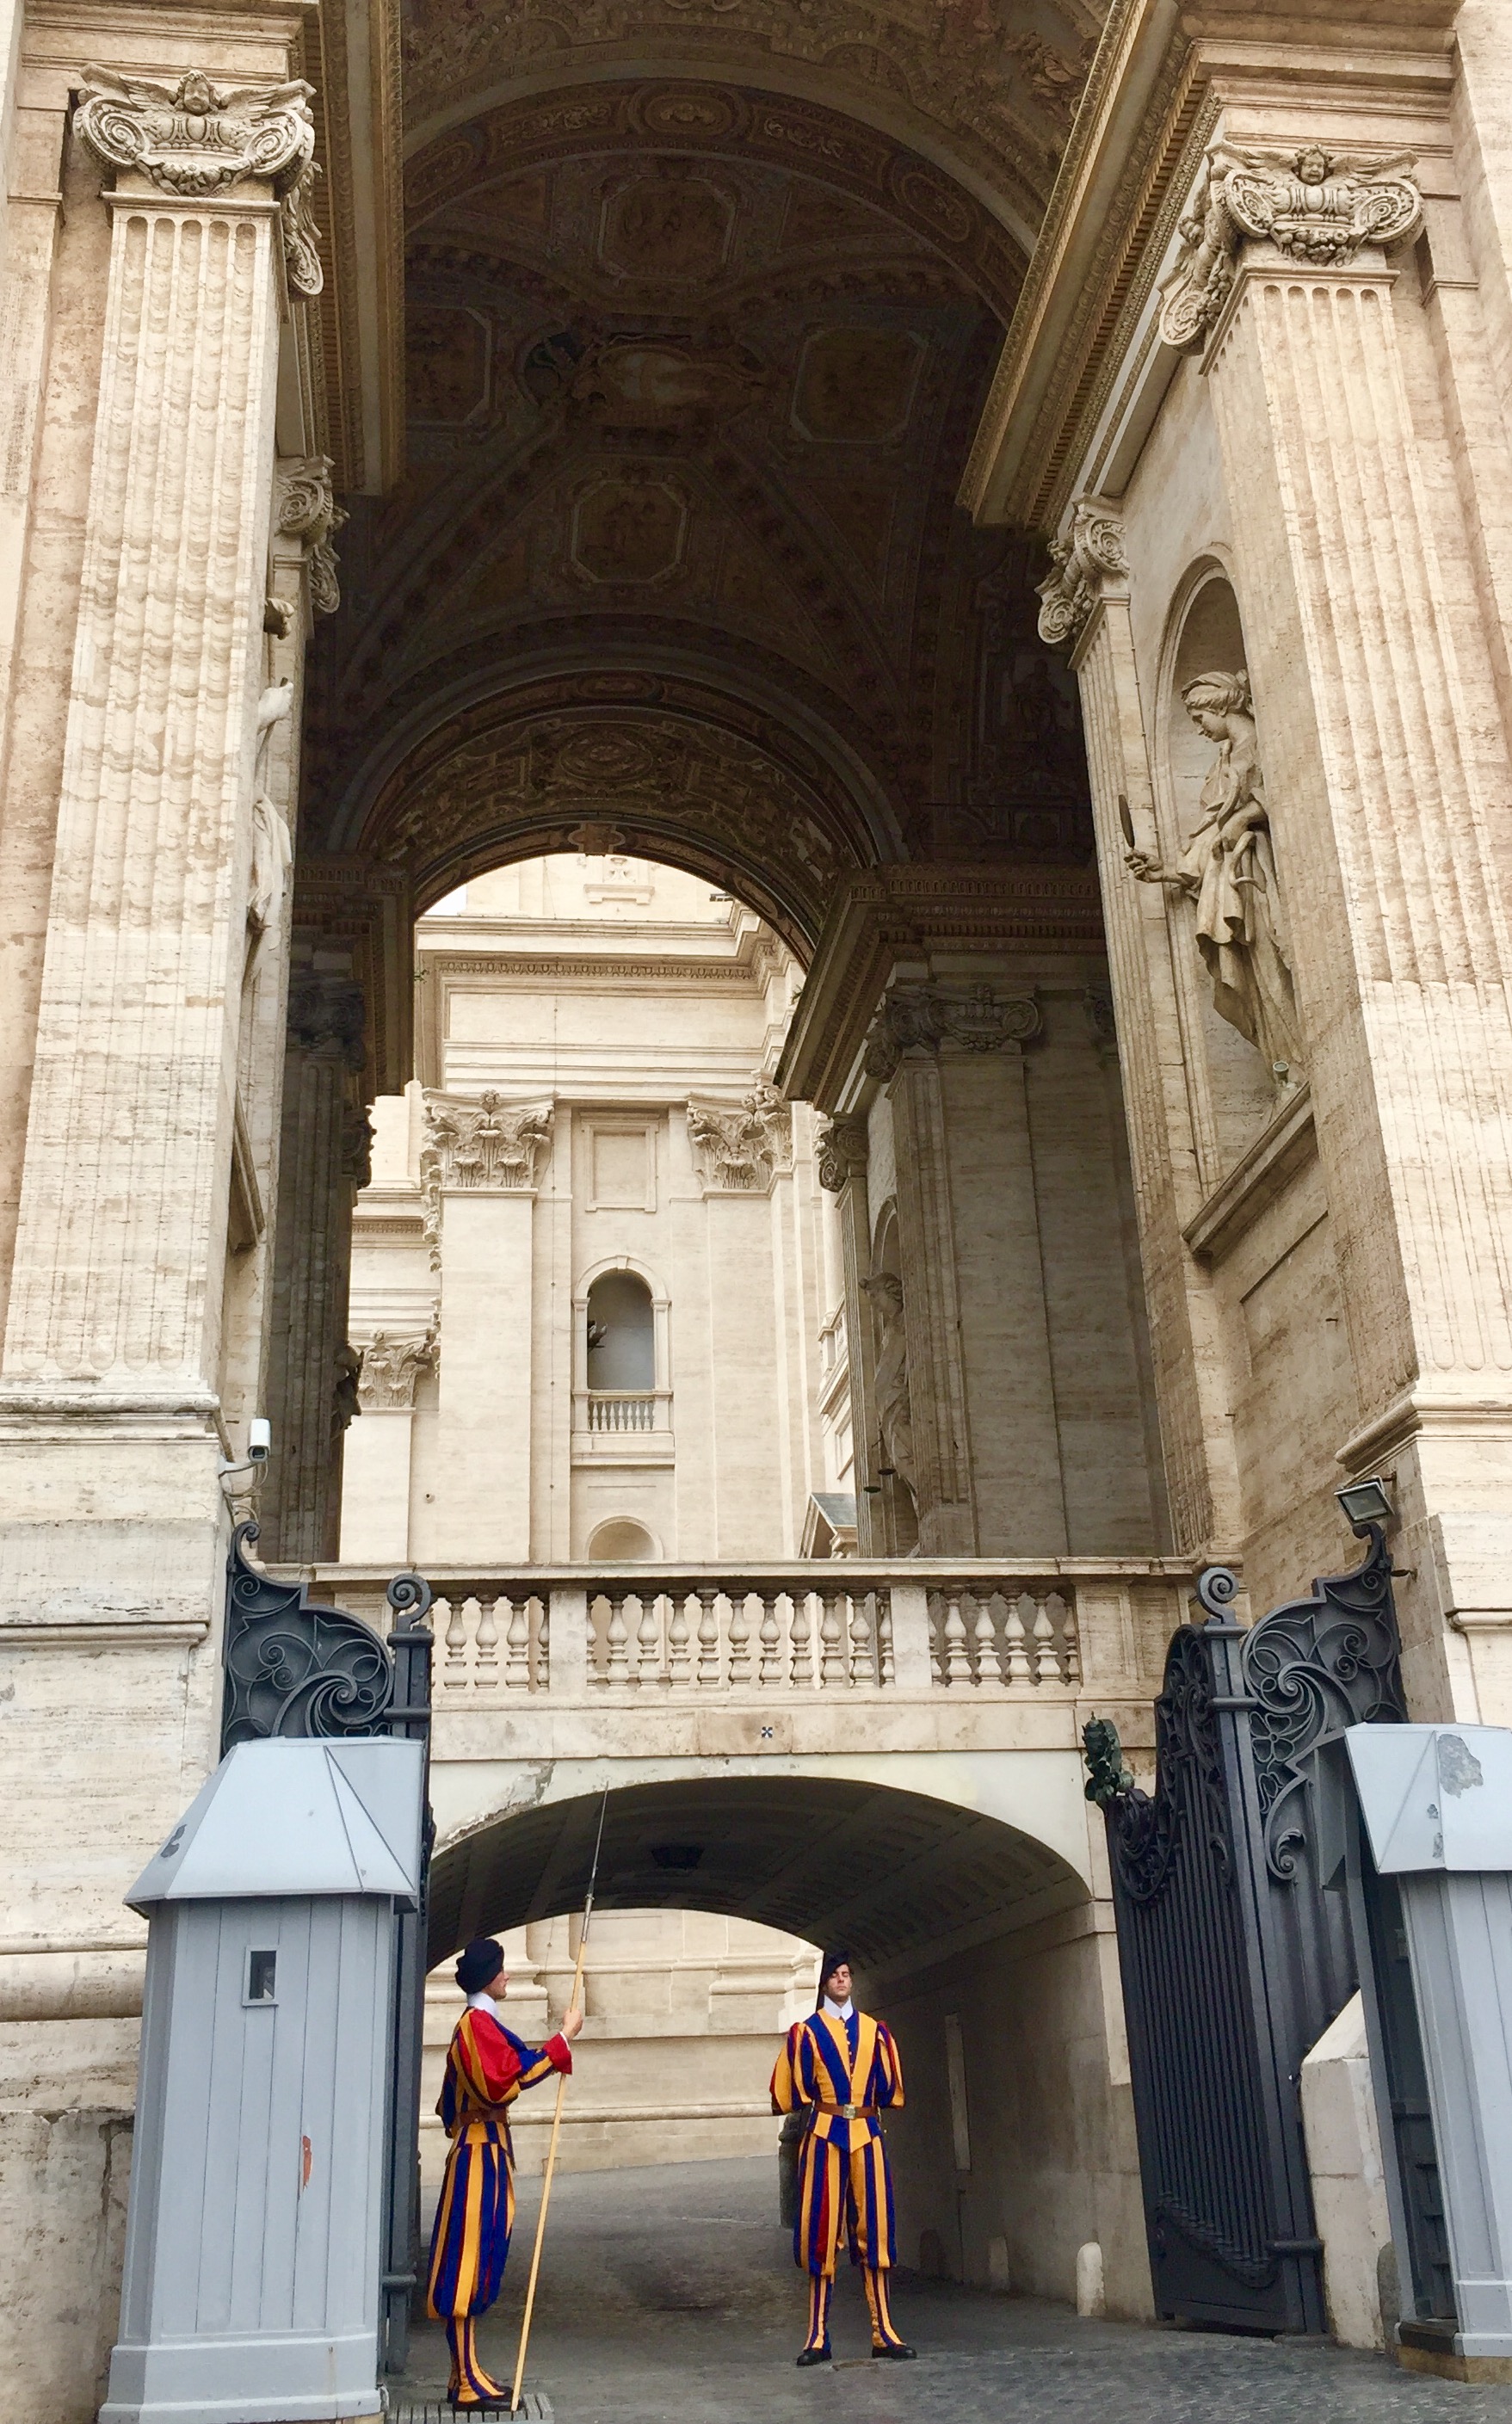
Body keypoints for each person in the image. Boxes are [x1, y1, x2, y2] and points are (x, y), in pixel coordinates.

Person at [426, 1937, 584, 2408]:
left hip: (488, 2151)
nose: (509, 1976)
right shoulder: (475, 2027)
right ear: (488, 1977)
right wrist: (565, 2039)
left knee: (479, 2259)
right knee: (466, 2264)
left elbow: (513, 2066)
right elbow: (505, 2083)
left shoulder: (484, 2026)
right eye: (502, 1970)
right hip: (478, 2156)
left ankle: (466, 2374)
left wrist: (557, 2045)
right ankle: (466, 2381)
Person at [769, 1950, 916, 2365]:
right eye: (835, 1975)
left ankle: (883, 2329)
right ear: (825, 1983)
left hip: (867, 2134)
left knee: (877, 2232)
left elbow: (888, 2091)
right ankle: (816, 2335)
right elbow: (791, 2094)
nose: (842, 1980)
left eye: (847, 1974)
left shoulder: (875, 2032)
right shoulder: (807, 2032)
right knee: (821, 2231)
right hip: (825, 2135)